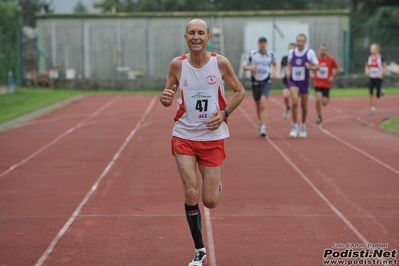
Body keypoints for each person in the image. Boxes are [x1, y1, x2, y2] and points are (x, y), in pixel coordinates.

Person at [160, 18, 245, 266]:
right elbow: (168, 96)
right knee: (190, 191)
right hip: (184, 135)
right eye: (191, 33)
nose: (196, 37)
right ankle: (199, 250)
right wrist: (165, 98)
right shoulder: (177, 65)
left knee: (210, 201)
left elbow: (239, 91)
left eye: (201, 33)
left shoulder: (220, 63)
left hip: (212, 137)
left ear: (209, 37)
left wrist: (225, 112)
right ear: (185, 37)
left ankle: (215, 186)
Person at [286, 34, 319, 138]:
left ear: (305, 42)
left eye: (302, 41)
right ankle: (295, 126)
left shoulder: (310, 53)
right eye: (299, 41)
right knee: (295, 102)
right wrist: (289, 70)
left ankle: (303, 125)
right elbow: (289, 63)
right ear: (296, 41)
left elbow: (317, 66)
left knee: (304, 105)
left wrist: (311, 68)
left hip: (304, 81)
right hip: (294, 81)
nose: (300, 43)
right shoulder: (291, 52)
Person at [243, 37, 277, 136]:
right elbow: (244, 67)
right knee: (258, 105)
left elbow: (275, 63)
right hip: (255, 82)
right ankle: (260, 121)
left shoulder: (270, 54)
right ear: (258, 44)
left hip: (266, 81)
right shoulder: (252, 54)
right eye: (261, 43)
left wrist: (274, 71)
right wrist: (251, 67)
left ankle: (263, 126)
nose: (262, 45)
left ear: (266, 44)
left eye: (264, 43)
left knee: (263, 103)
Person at [312, 44, 339, 124]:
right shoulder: (315, 60)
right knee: (318, 99)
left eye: (324, 50)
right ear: (318, 50)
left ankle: (325, 99)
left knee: (324, 102)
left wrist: (332, 76)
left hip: (327, 83)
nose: (322, 51)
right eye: (321, 49)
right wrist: (312, 74)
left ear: (326, 51)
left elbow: (337, 68)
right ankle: (319, 116)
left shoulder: (331, 59)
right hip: (317, 82)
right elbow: (311, 68)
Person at [365, 43, 387, 115]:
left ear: (377, 50)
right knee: (371, 93)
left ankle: (380, 91)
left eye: (374, 49)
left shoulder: (381, 58)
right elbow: (367, 66)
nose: (372, 50)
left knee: (378, 95)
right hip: (371, 77)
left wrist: (380, 73)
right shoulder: (369, 58)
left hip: (378, 78)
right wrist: (367, 70)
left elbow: (385, 68)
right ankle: (372, 108)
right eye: (371, 49)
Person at [279, 43, 296, 119]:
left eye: (292, 48)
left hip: (295, 80)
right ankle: (287, 107)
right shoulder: (285, 58)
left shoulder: (297, 58)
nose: (291, 50)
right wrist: (280, 74)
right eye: (290, 48)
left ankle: (294, 112)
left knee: (294, 98)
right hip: (286, 80)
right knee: (285, 95)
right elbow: (281, 66)